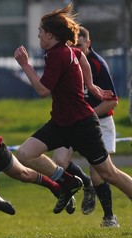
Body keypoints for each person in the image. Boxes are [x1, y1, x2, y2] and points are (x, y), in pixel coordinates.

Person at [14, 3, 132, 216]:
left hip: (82, 124)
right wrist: (92, 85)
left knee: (109, 174)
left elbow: (42, 90)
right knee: (24, 153)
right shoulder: (64, 51)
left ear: (50, 35)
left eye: (40, 33)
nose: (38, 36)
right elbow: (82, 58)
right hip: (61, 122)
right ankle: (68, 182)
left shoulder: (57, 55)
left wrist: (25, 65)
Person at [52, 26, 119, 227]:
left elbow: (112, 101)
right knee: (59, 161)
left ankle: (109, 217)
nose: (76, 50)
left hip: (100, 123)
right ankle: (85, 184)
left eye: (80, 46)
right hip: (73, 122)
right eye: (73, 46)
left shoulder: (98, 65)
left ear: (88, 44)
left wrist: (87, 114)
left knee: (101, 173)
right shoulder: (67, 60)